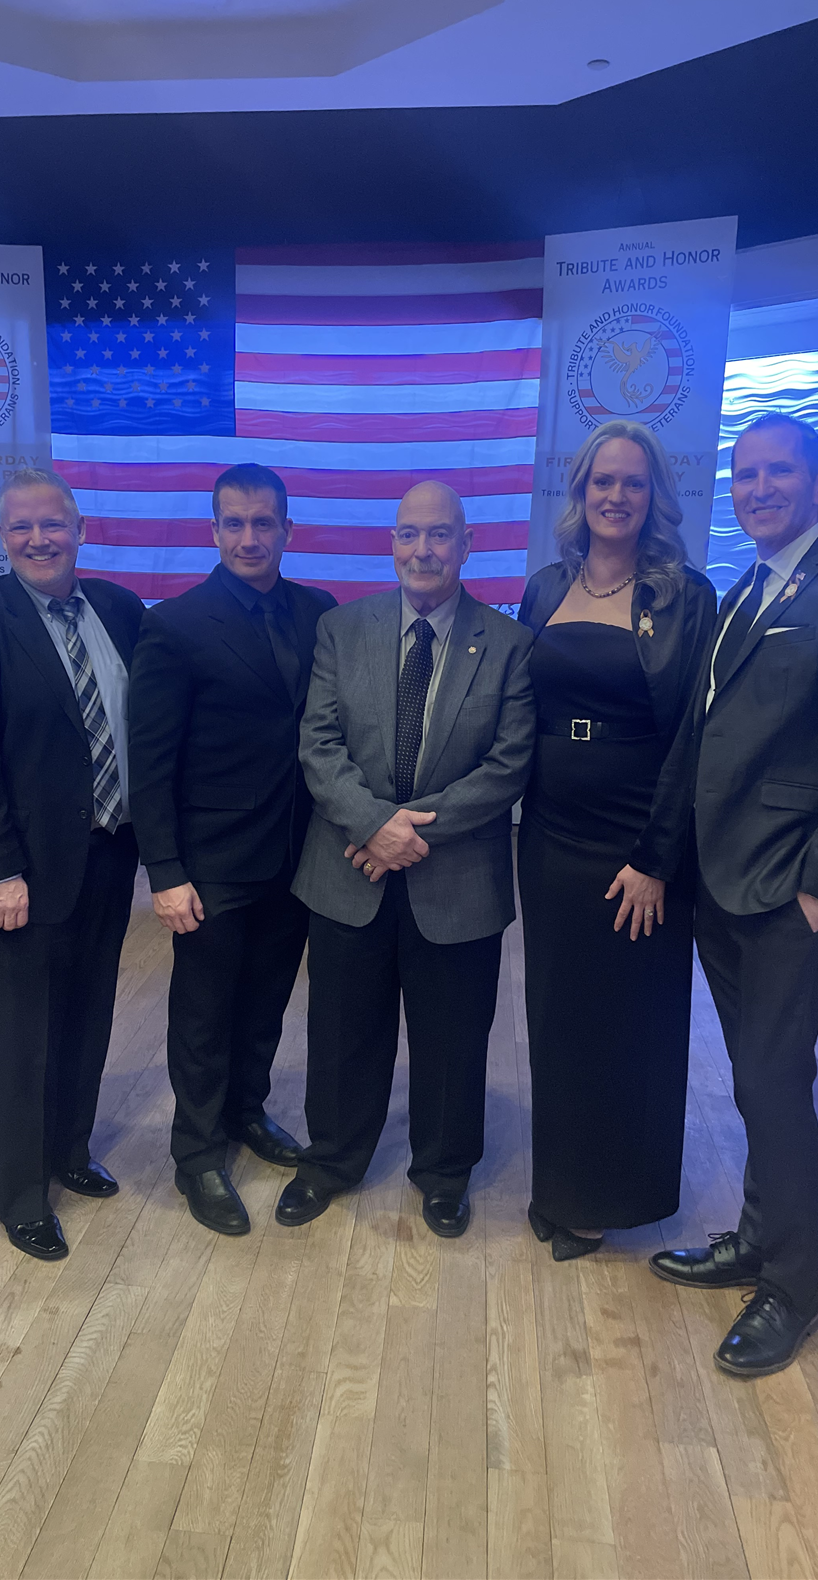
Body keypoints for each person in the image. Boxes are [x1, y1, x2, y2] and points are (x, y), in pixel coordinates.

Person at [647, 413, 818, 1377]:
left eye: (779, 473)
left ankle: (792, 1290)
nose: (759, 489)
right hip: (725, 880)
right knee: (759, 1077)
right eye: (745, 474)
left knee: (772, 1080)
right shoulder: (744, 590)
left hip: (791, 893)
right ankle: (760, 1239)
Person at [277, 481, 535, 1238]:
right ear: (391, 543)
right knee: (341, 1031)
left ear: (467, 544)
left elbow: (508, 766)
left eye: (440, 534)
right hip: (347, 866)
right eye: (409, 535)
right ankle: (332, 1158)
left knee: (454, 1035)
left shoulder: (510, 643)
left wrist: (406, 834)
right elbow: (318, 743)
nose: (423, 551)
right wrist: (372, 824)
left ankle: (445, 1172)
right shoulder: (341, 628)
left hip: (457, 876)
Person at [0, 467, 144, 1262]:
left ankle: (69, 1151)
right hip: (22, 871)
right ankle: (21, 1193)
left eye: (52, 523)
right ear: (2, 537)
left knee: (89, 1013)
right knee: (26, 1035)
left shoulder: (120, 609)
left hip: (110, 851)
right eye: (20, 526)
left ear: (79, 529)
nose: (38, 538)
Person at [517, 422, 716, 1262]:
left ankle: (610, 1196)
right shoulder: (544, 587)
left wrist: (655, 858)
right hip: (550, 837)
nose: (616, 495)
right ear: (580, 490)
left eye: (634, 482)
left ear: (655, 495)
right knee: (557, 1014)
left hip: (637, 841)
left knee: (629, 1023)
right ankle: (559, 1187)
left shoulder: (686, 596)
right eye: (603, 480)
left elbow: (695, 739)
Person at [128, 464, 337, 1236]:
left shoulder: (319, 613)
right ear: (214, 531)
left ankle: (247, 1112)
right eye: (235, 523)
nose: (251, 538)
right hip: (211, 862)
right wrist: (165, 872)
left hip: (296, 854)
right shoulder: (175, 625)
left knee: (266, 1002)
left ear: (288, 529)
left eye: (264, 522)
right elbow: (150, 762)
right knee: (204, 1012)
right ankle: (195, 1153)